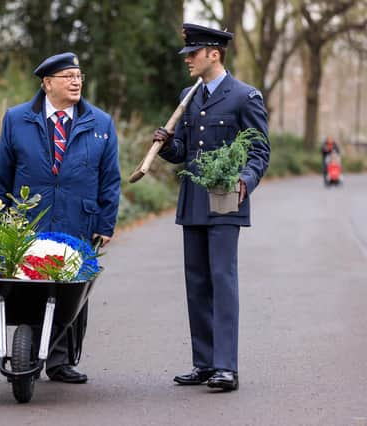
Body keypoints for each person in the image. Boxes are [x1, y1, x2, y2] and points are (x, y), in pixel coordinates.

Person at [152, 23, 271, 391]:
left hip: (224, 199)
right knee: (197, 283)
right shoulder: (189, 96)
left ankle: (225, 367)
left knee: (222, 280)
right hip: (192, 201)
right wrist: (167, 144)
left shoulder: (244, 96)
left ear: (213, 54)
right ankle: (203, 364)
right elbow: (185, 152)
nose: (188, 60)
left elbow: (259, 151)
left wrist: (244, 182)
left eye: (193, 54)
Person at [0, 52, 121, 384]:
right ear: (47, 84)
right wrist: (0, 218)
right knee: (29, 286)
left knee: (69, 292)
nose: (76, 81)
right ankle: (26, 356)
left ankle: (61, 362)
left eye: (79, 75)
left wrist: (105, 223)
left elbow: (110, 178)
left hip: (79, 219)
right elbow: (1, 174)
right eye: (67, 76)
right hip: (30, 219)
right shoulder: (17, 119)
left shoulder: (100, 123)